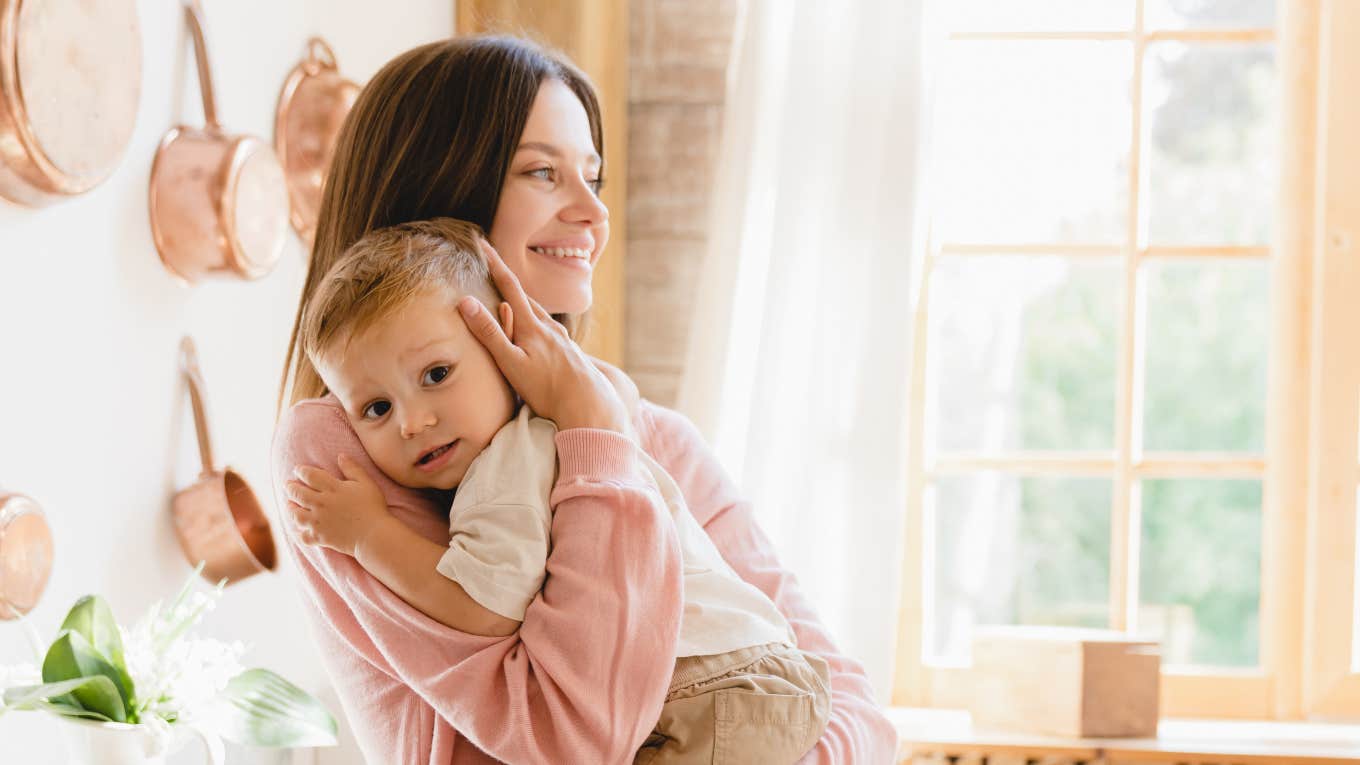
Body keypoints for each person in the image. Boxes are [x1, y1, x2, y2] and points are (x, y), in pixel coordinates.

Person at [273, 34, 898, 764]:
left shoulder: (650, 432)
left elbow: (851, 706)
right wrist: (595, 441)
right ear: (444, 195)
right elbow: (573, 734)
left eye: (592, 179)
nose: (594, 216)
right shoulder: (347, 447)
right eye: (544, 172)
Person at [285, 217, 833, 763]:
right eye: (377, 408)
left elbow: (483, 609)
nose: (412, 422)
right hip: (755, 672)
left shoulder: (505, 470)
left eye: (436, 375)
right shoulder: (567, 425)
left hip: (707, 687)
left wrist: (370, 535)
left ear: (503, 342)